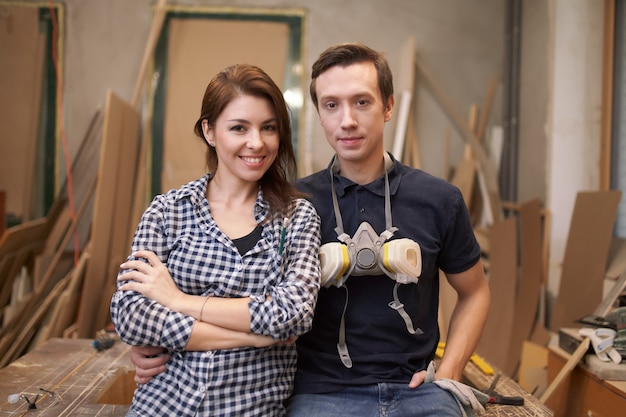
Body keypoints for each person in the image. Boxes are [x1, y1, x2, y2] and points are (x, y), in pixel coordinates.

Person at [130, 43, 491, 417]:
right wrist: (157, 341)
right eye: (331, 105)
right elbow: (241, 297)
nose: (347, 120)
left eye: (362, 102)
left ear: (388, 106)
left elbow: (475, 292)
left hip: (419, 389)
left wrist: (449, 371)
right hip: (321, 392)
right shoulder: (290, 205)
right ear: (319, 113)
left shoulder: (439, 199)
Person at [110, 63, 321, 417]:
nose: (257, 143)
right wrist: (256, 335)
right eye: (239, 127)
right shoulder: (168, 212)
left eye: (268, 128)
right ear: (209, 131)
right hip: (162, 407)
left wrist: (178, 300)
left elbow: (291, 315)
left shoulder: (297, 217)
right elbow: (130, 315)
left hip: (251, 408)